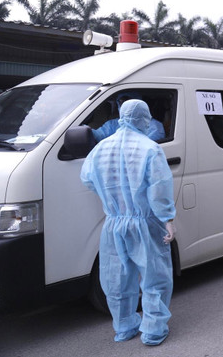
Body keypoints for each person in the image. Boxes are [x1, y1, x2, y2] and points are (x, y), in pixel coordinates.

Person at [80, 99, 177, 346]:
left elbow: (88, 179)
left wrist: (112, 199)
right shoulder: (150, 148)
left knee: (117, 278)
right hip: (146, 223)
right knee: (154, 277)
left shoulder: (101, 149)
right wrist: (167, 219)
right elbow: (159, 189)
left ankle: (124, 327)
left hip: (114, 223)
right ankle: (153, 330)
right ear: (143, 118)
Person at [92, 92, 165, 142]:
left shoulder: (154, 126)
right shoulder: (113, 123)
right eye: (121, 102)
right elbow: (98, 136)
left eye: (127, 101)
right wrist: (87, 130)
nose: (125, 105)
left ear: (138, 103)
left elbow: (147, 146)